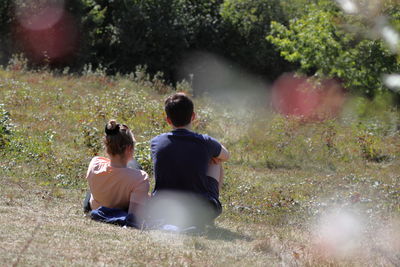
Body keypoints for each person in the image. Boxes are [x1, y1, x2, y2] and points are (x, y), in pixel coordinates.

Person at [150, 93, 230, 227]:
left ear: (168, 120)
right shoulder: (205, 141)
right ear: (193, 116)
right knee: (217, 160)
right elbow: (226, 155)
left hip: (162, 209)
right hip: (198, 211)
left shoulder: (156, 142)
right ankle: (209, 207)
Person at [84, 120, 150, 219]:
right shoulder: (140, 178)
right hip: (121, 210)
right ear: (129, 149)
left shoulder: (95, 164)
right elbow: (134, 215)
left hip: (96, 207)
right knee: (135, 165)